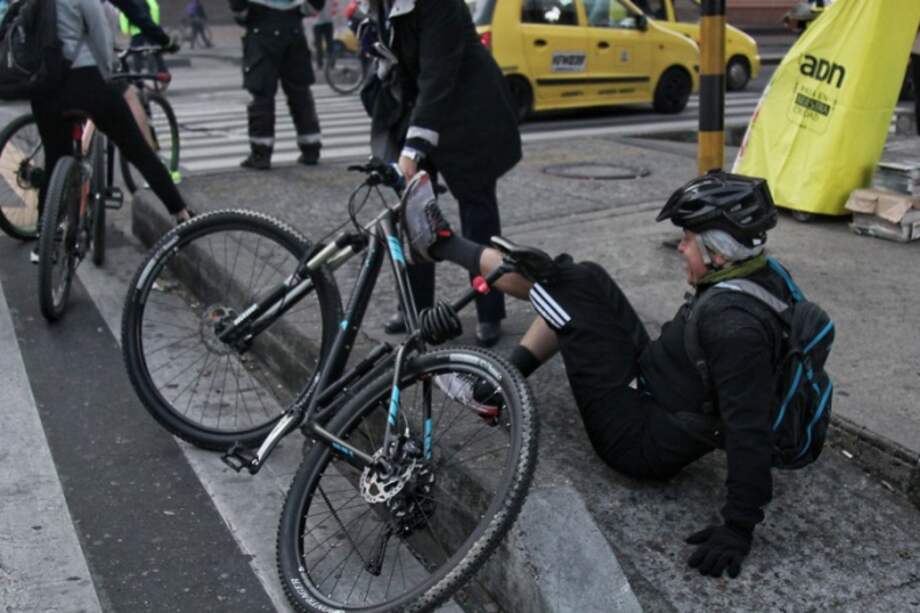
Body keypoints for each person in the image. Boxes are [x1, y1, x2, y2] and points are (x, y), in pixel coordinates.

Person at [403, 171, 791, 579]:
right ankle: (446, 257)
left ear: (718, 253)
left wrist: (737, 528)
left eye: (688, 239)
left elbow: (750, 429)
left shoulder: (733, 330)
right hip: (655, 385)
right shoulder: (755, 274)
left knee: (566, 290)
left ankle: (440, 244)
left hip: (636, 438)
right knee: (585, 278)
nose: (679, 246)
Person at [360, 0, 522, 346]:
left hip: (467, 111)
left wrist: (413, 149)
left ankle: (489, 309)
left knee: (478, 213)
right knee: (413, 213)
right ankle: (417, 310)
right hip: (418, 108)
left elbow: (439, 73)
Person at [30, 0, 193, 262]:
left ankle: (44, 241)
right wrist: (108, 74)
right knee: (137, 149)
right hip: (84, 80)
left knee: (54, 158)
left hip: (43, 88)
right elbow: (100, 34)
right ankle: (182, 214)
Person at [229, 0, 324, 170]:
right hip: (293, 30)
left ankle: (261, 154)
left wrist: (244, 13)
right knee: (300, 93)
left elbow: (239, 9)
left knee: (262, 95)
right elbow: (315, 5)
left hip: (261, 31)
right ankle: (311, 149)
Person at [119, 0, 168, 75]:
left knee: (136, 52)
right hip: (149, 29)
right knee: (156, 49)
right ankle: (162, 70)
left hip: (136, 31)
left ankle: (137, 71)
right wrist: (154, 24)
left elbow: (123, 15)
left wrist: (125, 30)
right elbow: (155, 9)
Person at [311, 0, 334, 69]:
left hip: (327, 22)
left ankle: (330, 63)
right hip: (317, 23)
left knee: (328, 44)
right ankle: (320, 64)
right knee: (319, 45)